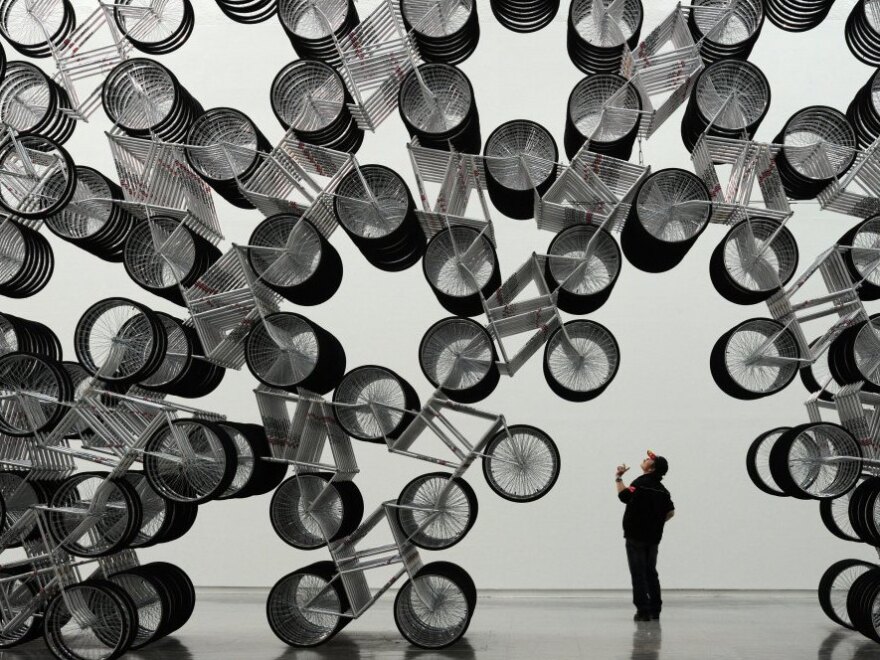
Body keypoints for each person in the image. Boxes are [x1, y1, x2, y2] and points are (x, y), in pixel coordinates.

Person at [616, 450, 675, 622]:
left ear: (651, 468)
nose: (645, 459)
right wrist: (655, 522)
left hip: (635, 536)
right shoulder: (664, 491)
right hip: (653, 538)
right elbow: (670, 512)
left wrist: (619, 478)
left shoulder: (640, 483)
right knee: (651, 573)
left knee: (638, 574)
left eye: (649, 460)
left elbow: (624, 496)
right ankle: (655, 610)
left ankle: (643, 611)